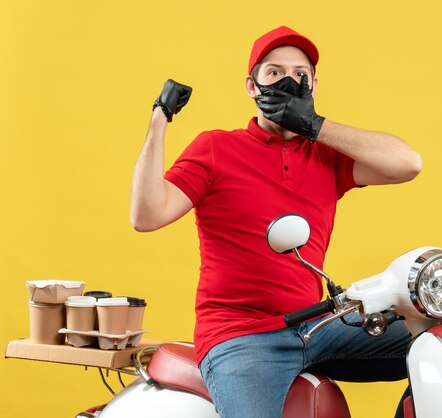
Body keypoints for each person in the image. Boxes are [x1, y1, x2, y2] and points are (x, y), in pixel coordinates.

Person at [130, 26, 422, 418]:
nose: (289, 81)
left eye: (301, 75)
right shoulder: (217, 148)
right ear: (251, 86)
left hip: (317, 325)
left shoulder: (325, 155)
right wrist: (159, 120)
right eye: (274, 73)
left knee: (440, 344)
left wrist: (316, 126)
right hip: (242, 337)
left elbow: (408, 164)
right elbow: (147, 215)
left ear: (314, 86)